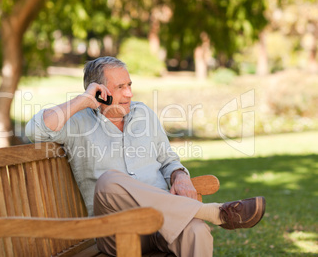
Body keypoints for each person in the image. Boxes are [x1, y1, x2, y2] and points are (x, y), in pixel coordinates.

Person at [25, 56, 265, 257]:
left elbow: (167, 159)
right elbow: (33, 132)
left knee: (196, 230)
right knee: (109, 181)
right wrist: (83, 100)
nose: (129, 93)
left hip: (164, 223)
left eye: (129, 84)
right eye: (120, 88)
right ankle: (214, 212)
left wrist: (179, 174)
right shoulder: (77, 122)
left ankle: (204, 215)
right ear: (99, 91)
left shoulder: (143, 114)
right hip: (116, 230)